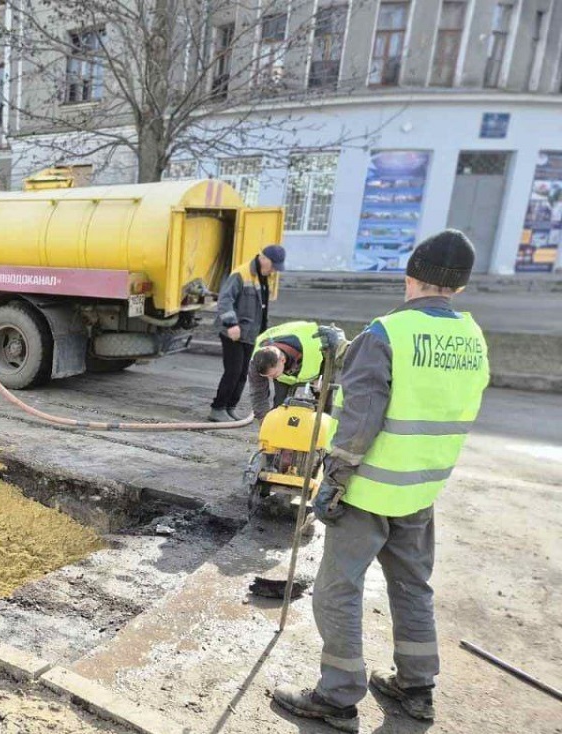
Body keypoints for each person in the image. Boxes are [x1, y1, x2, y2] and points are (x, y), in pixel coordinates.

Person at [272, 230, 489, 732]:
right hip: (421, 489)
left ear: (411, 276)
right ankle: (417, 689)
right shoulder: (472, 337)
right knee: (413, 585)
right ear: (458, 288)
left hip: (367, 488)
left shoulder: (386, 333)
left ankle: (337, 697)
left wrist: (335, 478)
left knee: (337, 589)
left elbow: (362, 416)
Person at [208, 244, 285, 422]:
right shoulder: (241, 274)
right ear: (263, 258)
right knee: (233, 371)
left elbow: (262, 308)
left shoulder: (264, 277)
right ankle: (217, 408)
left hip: (251, 334)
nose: (274, 270)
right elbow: (224, 300)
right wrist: (231, 323)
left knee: (243, 373)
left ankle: (230, 407)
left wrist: (266, 334)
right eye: (273, 266)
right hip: (233, 332)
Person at [248, 320, 329, 421]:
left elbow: (330, 360)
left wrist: (322, 378)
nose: (270, 379)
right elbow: (258, 392)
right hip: (286, 370)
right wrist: (263, 419)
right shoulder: (257, 361)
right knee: (280, 405)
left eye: (273, 375)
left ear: (282, 360)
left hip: (314, 364)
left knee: (324, 404)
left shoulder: (313, 345)